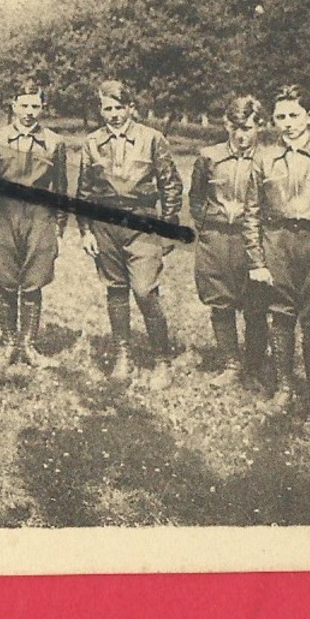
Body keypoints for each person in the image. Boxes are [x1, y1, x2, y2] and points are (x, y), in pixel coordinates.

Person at [242, 85, 310, 424]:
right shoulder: (263, 159)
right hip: (277, 243)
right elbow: (251, 213)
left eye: (294, 115)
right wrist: (257, 261)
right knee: (282, 315)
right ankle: (285, 388)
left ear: (309, 116)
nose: (288, 123)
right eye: (280, 117)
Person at [76, 81, 184, 388]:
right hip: (105, 225)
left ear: (130, 108)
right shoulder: (92, 142)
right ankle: (124, 356)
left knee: (144, 290)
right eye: (107, 109)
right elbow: (83, 191)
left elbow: (171, 185)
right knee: (115, 289)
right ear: (101, 111)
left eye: (118, 108)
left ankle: (162, 361)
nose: (113, 115)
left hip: (142, 223)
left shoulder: (152, 139)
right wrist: (86, 231)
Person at [0, 78, 70, 367]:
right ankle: (8, 343)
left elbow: (62, 190)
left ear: (43, 108)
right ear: (14, 106)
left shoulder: (55, 143)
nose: (29, 111)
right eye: (23, 105)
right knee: (6, 279)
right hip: (4, 215)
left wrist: (60, 229)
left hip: (40, 218)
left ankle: (28, 345)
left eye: (35, 106)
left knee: (33, 281)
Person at [188, 95, 269, 390]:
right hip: (217, 238)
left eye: (248, 127)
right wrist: (207, 227)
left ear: (260, 126)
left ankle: (254, 368)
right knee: (220, 302)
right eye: (235, 127)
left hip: (254, 241)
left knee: (255, 305)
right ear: (226, 124)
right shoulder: (209, 157)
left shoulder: (269, 160)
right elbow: (196, 198)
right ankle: (230, 364)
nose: (241, 134)